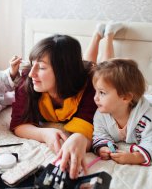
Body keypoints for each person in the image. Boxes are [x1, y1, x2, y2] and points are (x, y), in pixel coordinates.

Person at [10, 22, 124, 179]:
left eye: (42, 68)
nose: (32, 74)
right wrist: (45, 134)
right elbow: (18, 124)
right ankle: (97, 35)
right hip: (76, 71)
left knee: (104, 68)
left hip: (85, 73)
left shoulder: (91, 86)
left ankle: (108, 36)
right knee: (90, 63)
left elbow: (87, 123)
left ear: (62, 71)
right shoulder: (27, 80)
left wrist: (79, 138)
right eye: (32, 64)